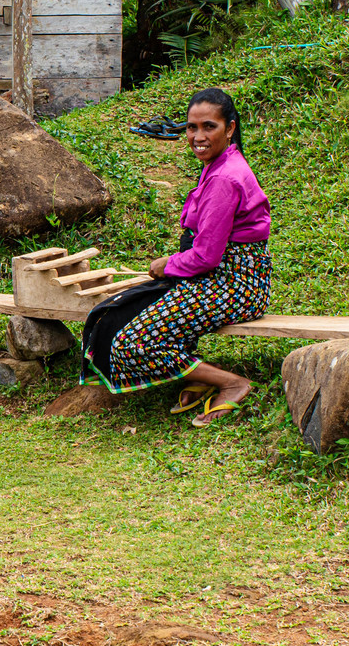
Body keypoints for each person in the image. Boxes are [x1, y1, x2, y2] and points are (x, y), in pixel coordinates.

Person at [82, 89, 271, 426]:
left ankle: (231, 382)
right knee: (122, 312)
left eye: (208, 127)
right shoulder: (220, 165)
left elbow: (208, 256)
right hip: (221, 278)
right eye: (191, 127)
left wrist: (166, 265)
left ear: (230, 128)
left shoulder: (225, 179)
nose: (198, 137)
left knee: (132, 343)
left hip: (234, 285)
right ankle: (199, 375)